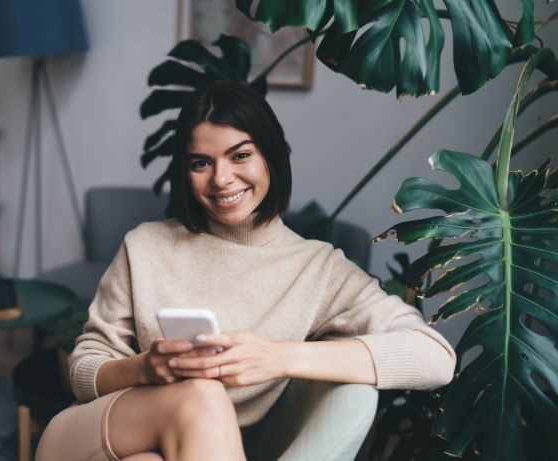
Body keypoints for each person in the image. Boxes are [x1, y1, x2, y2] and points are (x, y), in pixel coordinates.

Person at [35, 81, 456, 461]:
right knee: (201, 395)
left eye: (240, 156)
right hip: (91, 435)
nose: (221, 179)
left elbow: (435, 357)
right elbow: (83, 369)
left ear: (270, 156)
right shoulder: (145, 245)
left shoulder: (317, 269)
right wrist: (146, 369)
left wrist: (276, 358)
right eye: (201, 163)